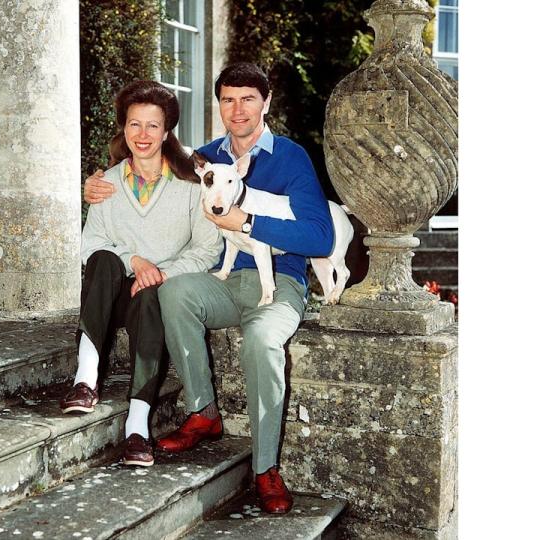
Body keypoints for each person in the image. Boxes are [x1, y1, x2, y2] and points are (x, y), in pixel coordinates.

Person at [83, 63, 335, 514]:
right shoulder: (200, 159)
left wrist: (251, 222)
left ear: (266, 103)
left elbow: (321, 237)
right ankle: (204, 413)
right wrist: (97, 184)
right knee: (174, 293)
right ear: (219, 105)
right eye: (228, 99)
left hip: (278, 281)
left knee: (261, 341)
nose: (237, 109)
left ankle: (264, 468)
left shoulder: (291, 157)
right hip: (220, 280)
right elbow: (144, 168)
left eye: (248, 99)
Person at [63, 80, 223, 468]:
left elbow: (209, 248)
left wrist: (161, 273)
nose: (143, 135)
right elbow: (91, 243)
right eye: (135, 125)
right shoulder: (107, 183)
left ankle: (137, 428)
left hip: (151, 299)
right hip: (111, 294)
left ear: (167, 131)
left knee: (153, 294)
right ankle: (85, 378)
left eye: (152, 126)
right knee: (102, 259)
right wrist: (134, 260)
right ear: (124, 128)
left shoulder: (190, 185)